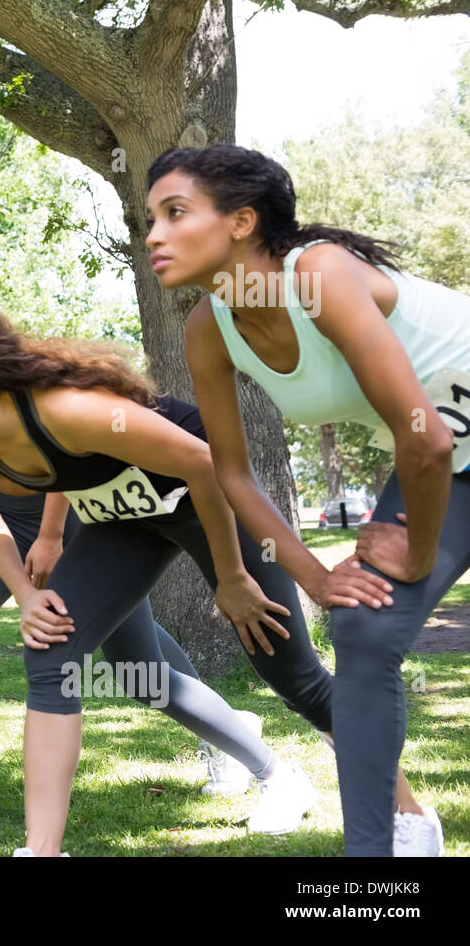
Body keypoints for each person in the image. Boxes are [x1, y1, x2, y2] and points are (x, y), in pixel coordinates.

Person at [0, 240, 290, 856]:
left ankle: (247, 749)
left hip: (68, 513)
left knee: (140, 671)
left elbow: (56, 441)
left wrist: (52, 533)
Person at [148, 143, 460, 856]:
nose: (155, 235)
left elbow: (427, 441)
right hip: (450, 463)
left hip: (438, 453)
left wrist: (415, 556)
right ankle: (387, 853)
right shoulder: (209, 328)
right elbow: (232, 473)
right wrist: (315, 578)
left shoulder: (318, 274)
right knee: (362, 630)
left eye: (175, 213)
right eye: (150, 219)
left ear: (241, 221)